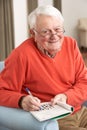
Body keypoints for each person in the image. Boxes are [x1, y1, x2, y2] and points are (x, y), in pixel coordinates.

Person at [0, 5, 87, 130]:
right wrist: (22, 100)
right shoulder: (21, 55)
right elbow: (2, 91)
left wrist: (66, 97)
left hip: (79, 110)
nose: (54, 36)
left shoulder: (71, 44)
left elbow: (84, 82)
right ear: (33, 33)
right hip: (54, 119)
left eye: (58, 29)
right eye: (46, 31)